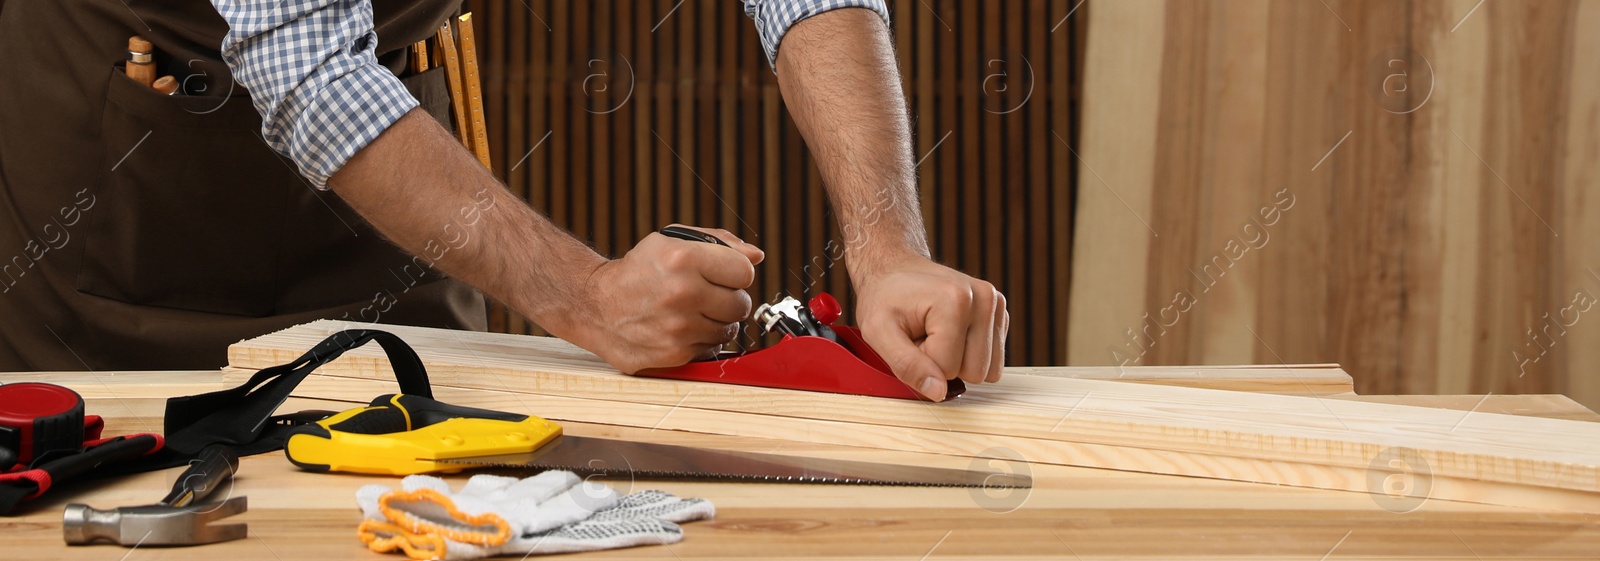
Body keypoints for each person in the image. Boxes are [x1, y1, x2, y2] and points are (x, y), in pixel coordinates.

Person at [0, 0, 1006, 401]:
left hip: (392, 138)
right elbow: (302, 63)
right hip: (135, 153)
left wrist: (885, 245)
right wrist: (587, 297)